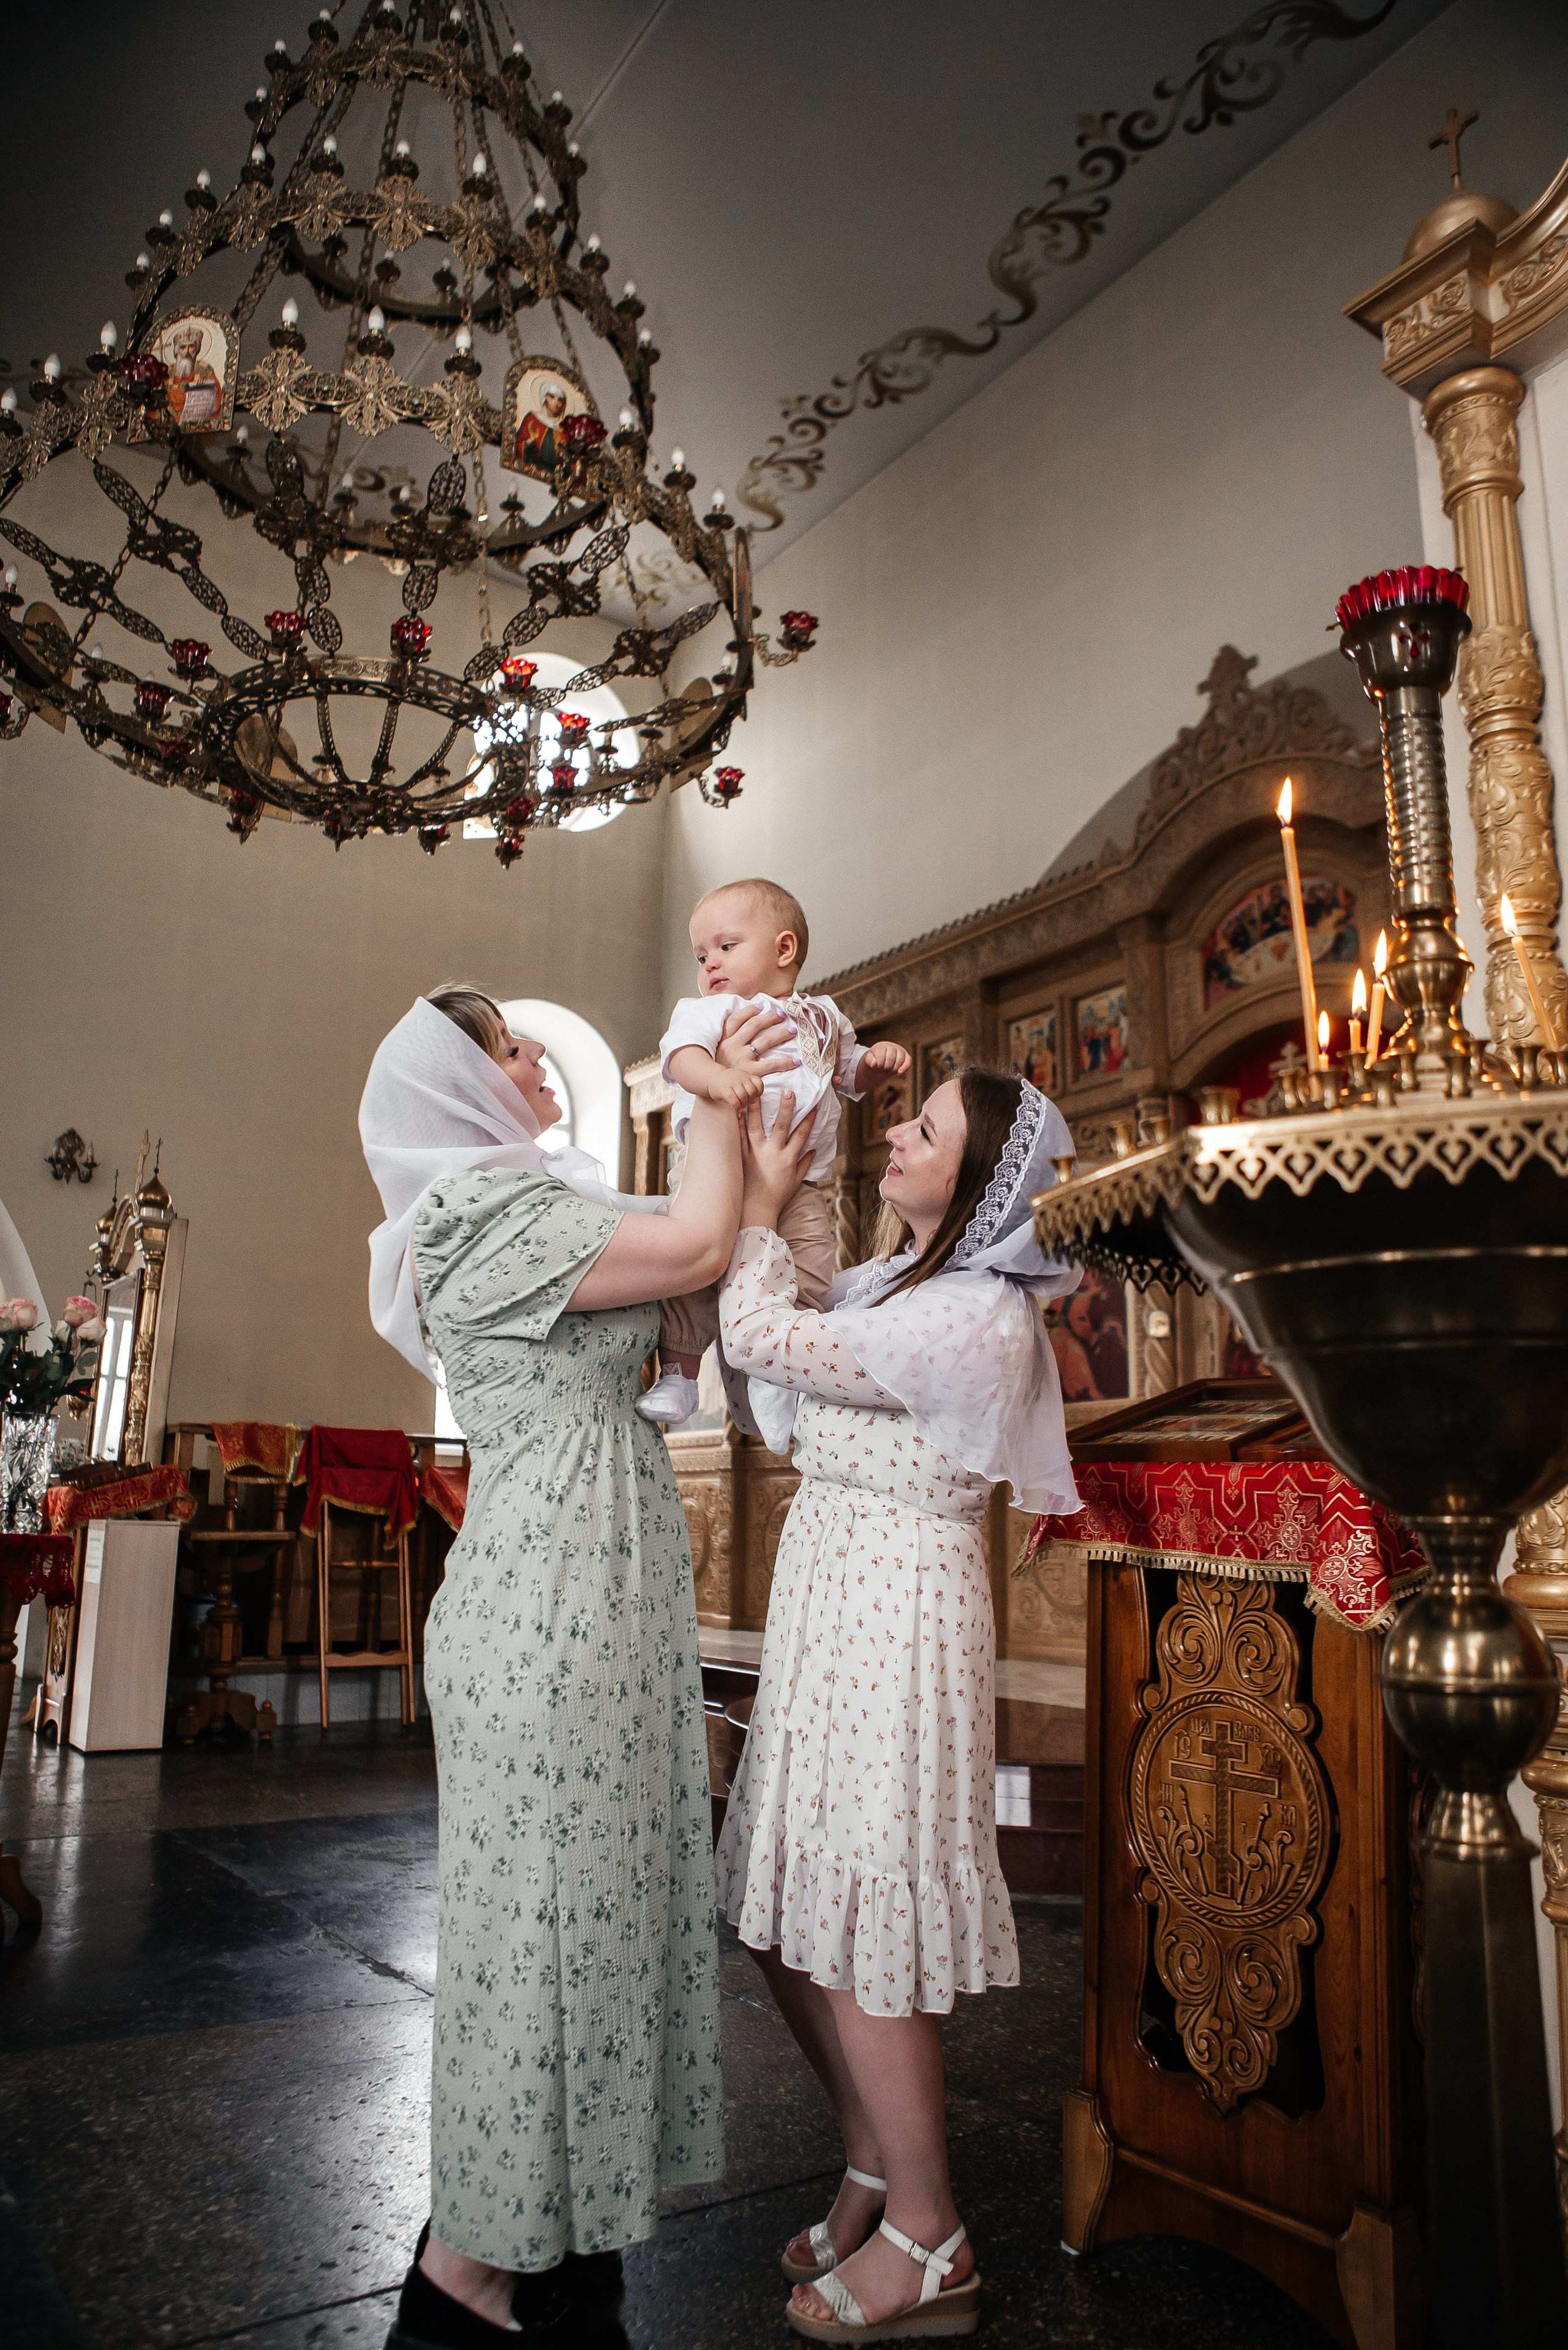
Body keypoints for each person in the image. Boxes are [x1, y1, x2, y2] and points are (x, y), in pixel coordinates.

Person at [358, 982, 794, 2350]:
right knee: (533, 1922)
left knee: (595, 1903)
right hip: (547, 1584)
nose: (535, 1064)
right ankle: (468, 2275)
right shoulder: (475, 1217)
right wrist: (713, 1093)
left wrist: (760, 1180)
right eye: (508, 1051)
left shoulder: (549, 1205)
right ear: (457, 1087)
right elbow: (696, 1238)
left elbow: (697, 1301)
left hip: (603, 1570)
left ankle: (559, 2233)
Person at [714, 1067, 1081, 2342]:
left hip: (896, 1613)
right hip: (828, 1595)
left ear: (978, 1183)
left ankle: (931, 2233)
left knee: (862, 1915)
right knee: (781, 1912)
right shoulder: (894, 1289)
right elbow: (780, 1374)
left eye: (922, 1130)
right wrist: (792, 1188)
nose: (897, 1135)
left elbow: (762, 1334)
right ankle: (871, 2162)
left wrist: (756, 1205)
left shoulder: (975, 1317)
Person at [639, 877, 910, 1428]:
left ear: (784, 949)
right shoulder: (711, 1011)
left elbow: (846, 1068)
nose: (710, 964)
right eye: (701, 954)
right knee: (692, 1268)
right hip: (714, 1172)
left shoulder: (826, 1017)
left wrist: (872, 1065)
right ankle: (680, 1374)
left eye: (725, 947)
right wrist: (715, 1078)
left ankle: (780, 1368)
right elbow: (681, 1059)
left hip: (800, 1183)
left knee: (809, 1264)